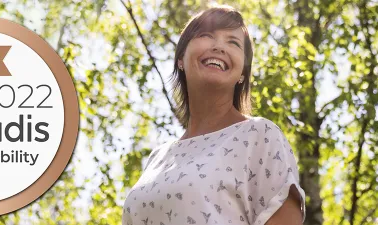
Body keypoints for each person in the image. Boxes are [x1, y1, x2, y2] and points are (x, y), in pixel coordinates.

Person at [122, 5, 305, 225]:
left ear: (242, 74)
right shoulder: (157, 158)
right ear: (181, 59)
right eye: (206, 35)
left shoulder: (260, 136)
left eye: (233, 42)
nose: (219, 47)